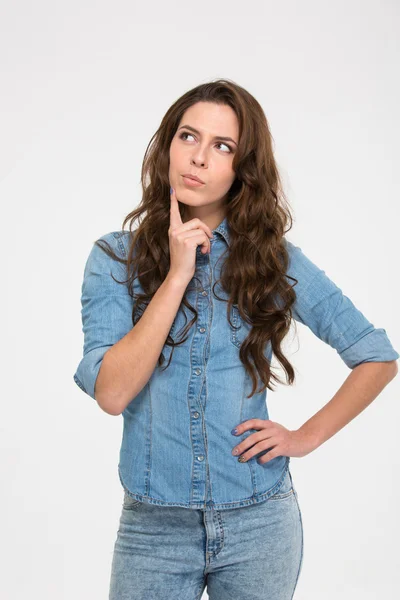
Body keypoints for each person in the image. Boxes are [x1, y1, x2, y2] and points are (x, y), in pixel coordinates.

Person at [73, 79, 399, 600]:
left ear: (241, 168)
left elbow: (377, 357)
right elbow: (112, 394)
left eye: (221, 147)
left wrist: (304, 438)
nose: (199, 158)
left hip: (260, 524)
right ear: (166, 146)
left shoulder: (273, 261)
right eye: (188, 136)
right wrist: (177, 276)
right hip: (154, 531)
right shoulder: (116, 260)